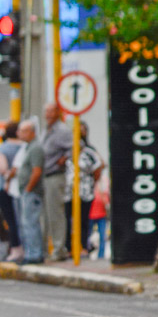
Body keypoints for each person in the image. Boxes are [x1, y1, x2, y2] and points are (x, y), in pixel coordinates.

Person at [62, 121, 104, 257]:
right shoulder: (67, 151)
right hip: (68, 192)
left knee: (84, 221)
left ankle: (84, 247)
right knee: (68, 220)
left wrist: (92, 182)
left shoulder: (89, 152)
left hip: (85, 192)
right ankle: (69, 248)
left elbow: (99, 166)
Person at [42, 103, 73, 260]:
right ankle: (47, 249)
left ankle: (59, 249)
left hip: (55, 175)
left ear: (58, 112)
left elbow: (76, 146)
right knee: (46, 215)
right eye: (46, 111)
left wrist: (64, 158)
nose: (47, 114)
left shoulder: (62, 130)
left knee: (56, 214)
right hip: (45, 176)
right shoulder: (47, 129)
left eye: (50, 111)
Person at [13, 118, 46, 264]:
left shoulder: (35, 148)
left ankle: (35, 254)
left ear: (32, 132)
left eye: (23, 131)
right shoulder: (27, 147)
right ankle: (31, 252)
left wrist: (28, 188)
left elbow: (36, 171)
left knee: (30, 222)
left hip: (32, 192)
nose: (20, 134)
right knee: (26, 223)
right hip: (27, 192)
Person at [0, 121, 24, 262]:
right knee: (21, 219)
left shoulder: (2, 148)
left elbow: (2, 169)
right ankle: (24, 247)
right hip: (22, 188)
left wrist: (7, 180)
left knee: (11, 220)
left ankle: (15, 249)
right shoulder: (24, 147)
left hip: (5, 188)